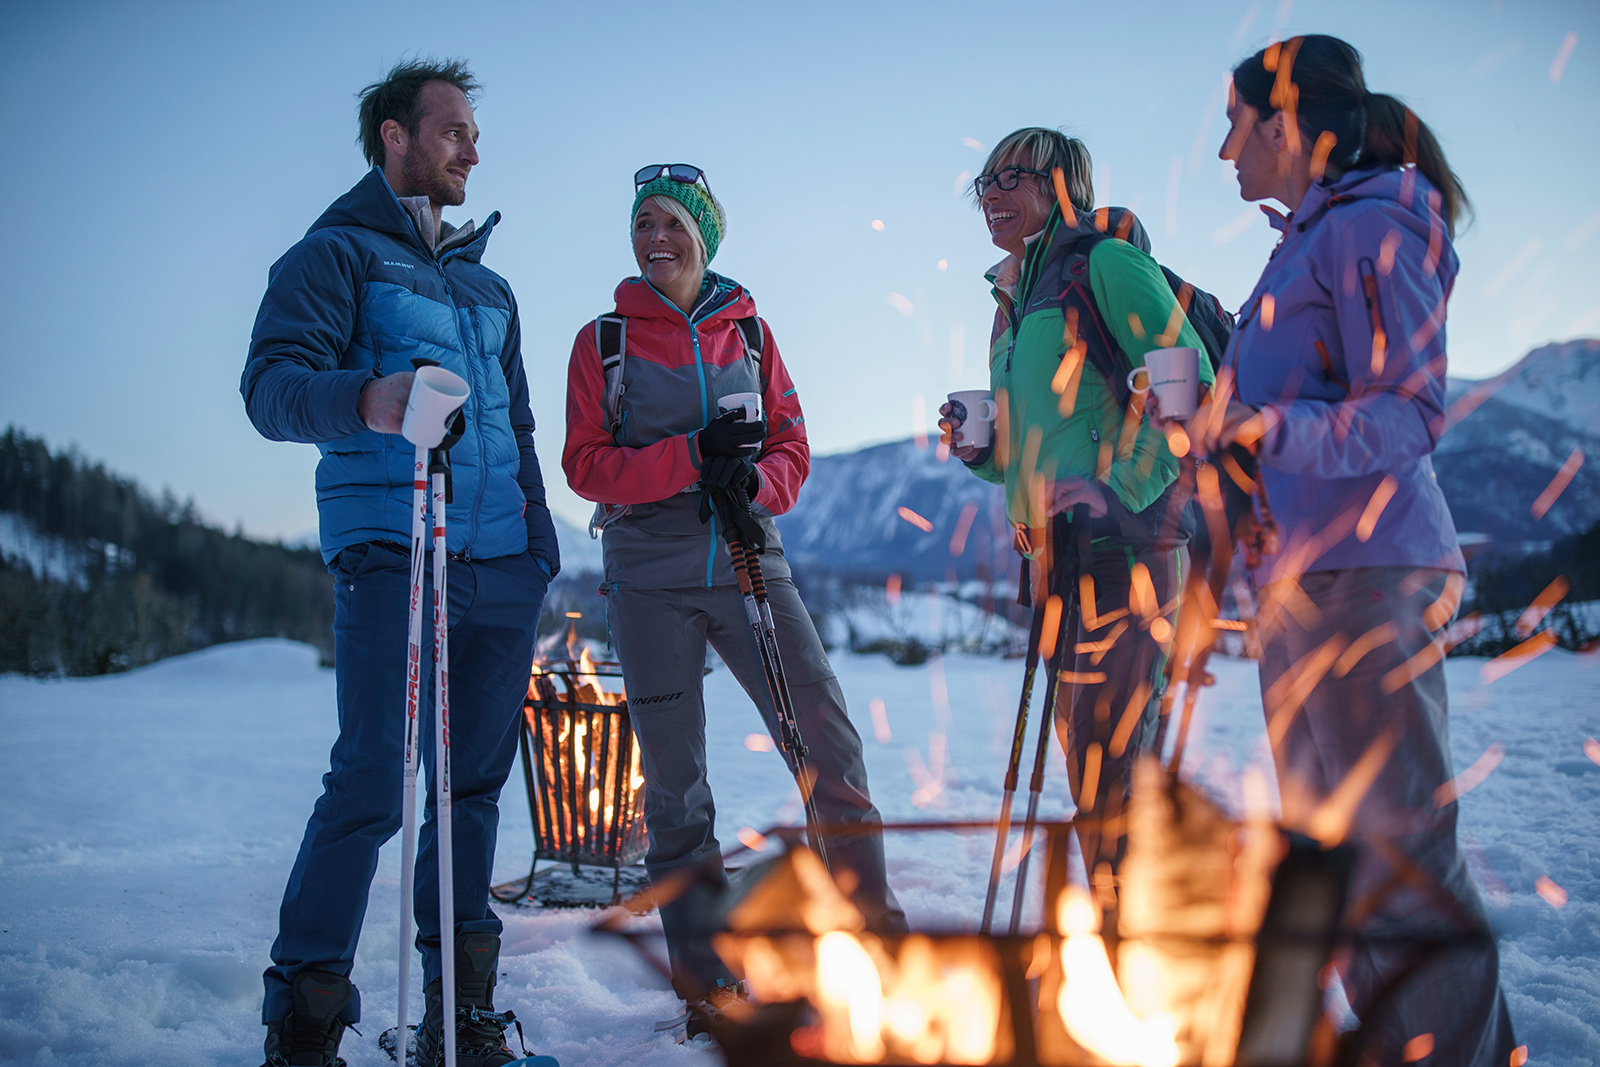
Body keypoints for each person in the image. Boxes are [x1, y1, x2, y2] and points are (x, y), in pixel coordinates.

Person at [1175, 33, 1517, 1065]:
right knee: (1336, 850)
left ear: (1284, 124)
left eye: (1235, 128)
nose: (1226, 153)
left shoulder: (1375, 223)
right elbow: (1277, 414)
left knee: (1401, 852)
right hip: (1297, 577)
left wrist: (1267, 429)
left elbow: (1409, 412)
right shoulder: (1301, 240)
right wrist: (1202, 426)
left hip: (1370, 570)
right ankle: (1399, 1041)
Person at [241, 59, 560, 1067]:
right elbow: (271, 387)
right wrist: (367, 400)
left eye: (472, 132)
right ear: (395, 136)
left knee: (469, 795)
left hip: (500, 566)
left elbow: (516, 421)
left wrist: (538, 538)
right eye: (454, 130)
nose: (472, 148)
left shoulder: (488, 283)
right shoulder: (333, 256)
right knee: (376, 781)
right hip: (393, 550)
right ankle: (303, 1025)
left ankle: (458, 1019)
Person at [562, 163, 906, 1037]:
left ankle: (876, 936)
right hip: (649, 578)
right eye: (644, 224)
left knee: (826, 738)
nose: (656, 240)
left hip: (752, 561)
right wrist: (687, 454)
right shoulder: (603, 340)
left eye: (673, 223)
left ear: (704, 235)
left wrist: (752, 475)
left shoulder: (748, 330)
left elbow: (792, 443)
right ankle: (702, 977)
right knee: (676, 784)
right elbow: (585, 465)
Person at [939, 128, 1211, 902]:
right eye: (983, 183)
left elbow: (1187, 382)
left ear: (1061, 187)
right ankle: (1133, 942)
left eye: (1011, 178)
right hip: (1054, 559)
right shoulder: (1011, 301)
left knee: (1113, 766)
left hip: (1128, 552)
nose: (990, 194)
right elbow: (1023, 447)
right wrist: (979, 448)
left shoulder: (1106, 263)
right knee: (1092, 765)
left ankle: (1151, 953)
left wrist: (1118, 490)